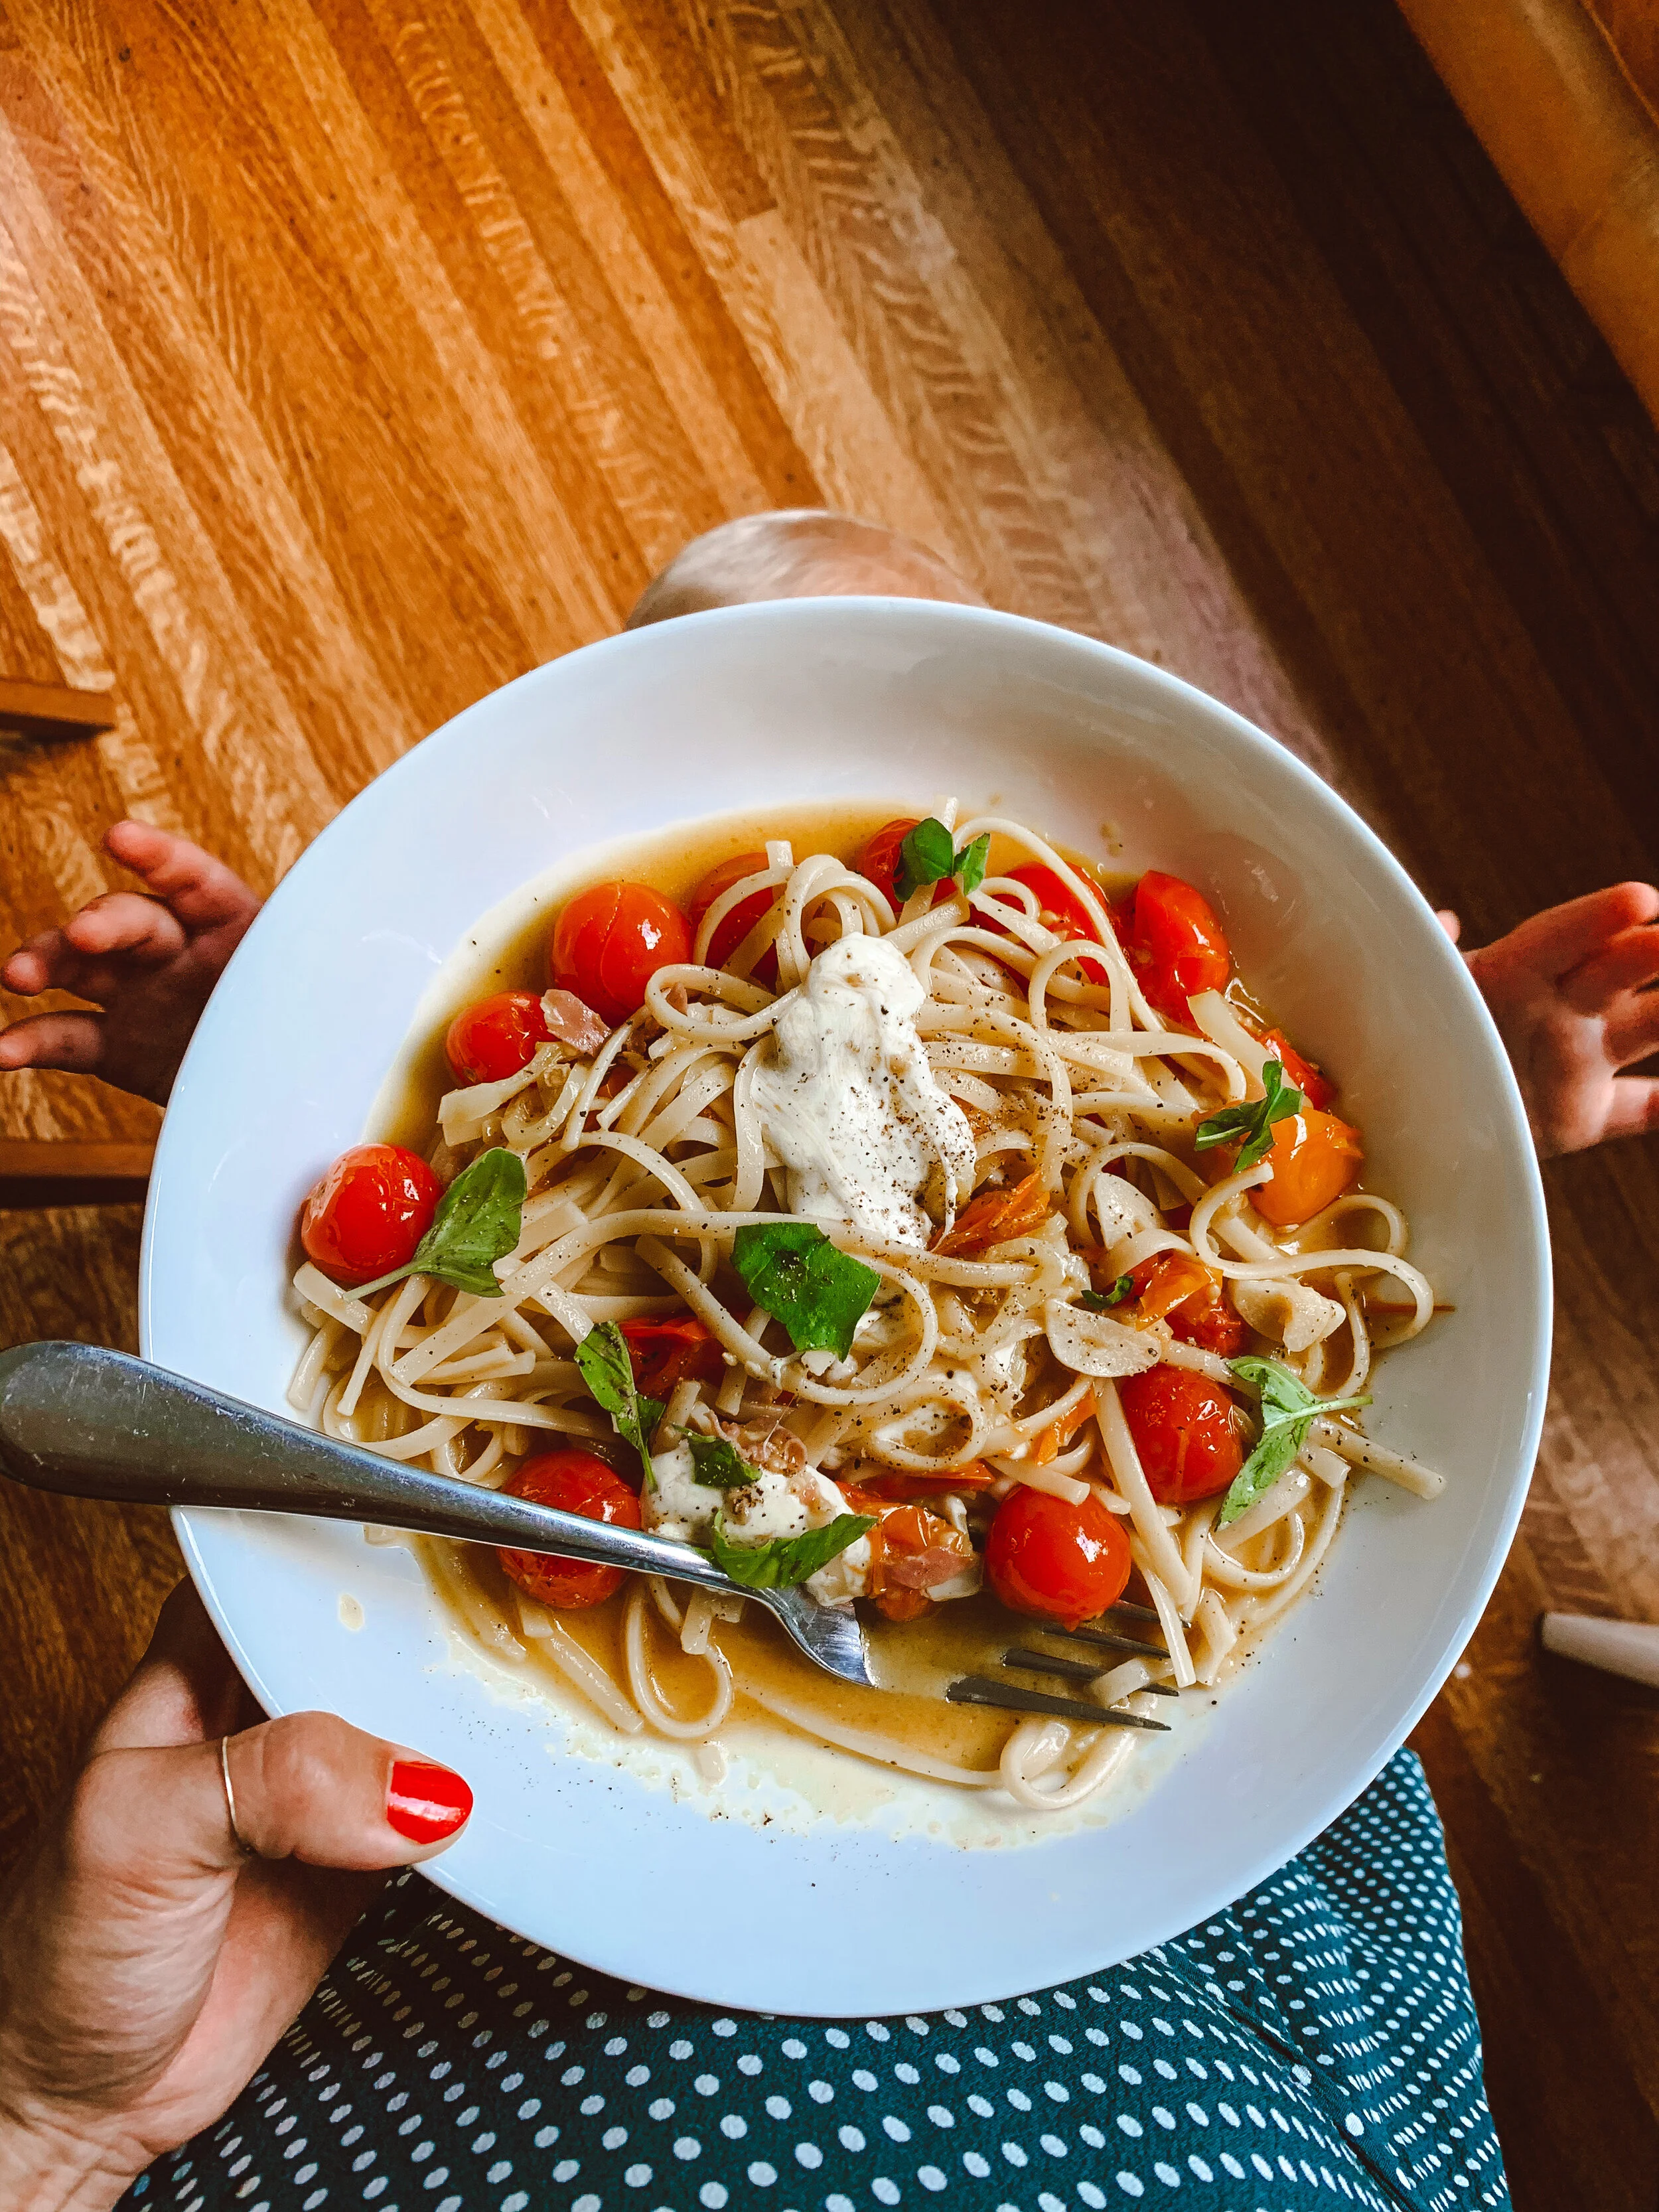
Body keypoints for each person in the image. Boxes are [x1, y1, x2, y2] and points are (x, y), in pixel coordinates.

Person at [1, 514, 1656, 2212]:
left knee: (1166, 1674)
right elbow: (484, 1168)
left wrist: (1456, 1098)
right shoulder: (683, 1009)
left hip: (454, 2039)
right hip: (1141, 2078)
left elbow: (1254, 1164)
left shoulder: (1058, 995)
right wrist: (262, 1039)